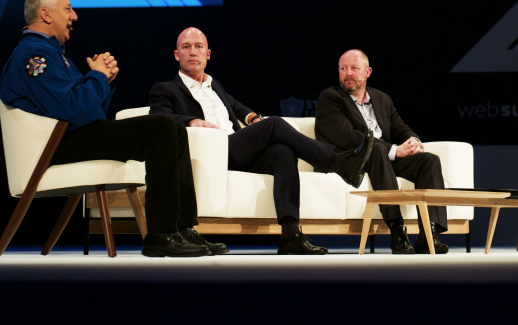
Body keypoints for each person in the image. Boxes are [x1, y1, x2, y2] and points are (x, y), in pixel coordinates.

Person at [0, 0, 217, 258]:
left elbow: (89, 110)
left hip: (78, 134)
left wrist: (105, 80)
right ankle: (160, 234)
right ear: (45, 14)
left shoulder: (54, 53)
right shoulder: (34, 57)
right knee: (161, 126)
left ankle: (183, 229)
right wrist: (98, 77)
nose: (74, 16)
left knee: (172, 127)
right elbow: (72, 107)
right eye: (67, 9)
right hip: (56, 145)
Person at [148, 28, 374, 255]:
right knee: (274, 124)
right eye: (186, 47)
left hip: (236, 150)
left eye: (198, 47)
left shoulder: (215, 86)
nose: (193, 52)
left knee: (283, 152)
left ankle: (290, 234)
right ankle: (338, 163)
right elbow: (160, 118)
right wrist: (192, 120)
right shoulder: (165, 89)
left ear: (208, 54)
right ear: (177, 55)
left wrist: (252, 117)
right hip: (212, 153)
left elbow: (237, 107)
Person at [314, 50, 449, 255]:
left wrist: (413, 141)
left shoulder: (382, 98)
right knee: (375, 148)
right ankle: (397, 231)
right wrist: (395, 149)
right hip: (349, 159)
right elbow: (347, 137)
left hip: (382, 158)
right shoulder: (330, 97)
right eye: (343, 69)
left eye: (354, 68)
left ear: (368, 72)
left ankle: (429, 235)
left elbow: (399, 128)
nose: (348, 73)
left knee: (429, 161)